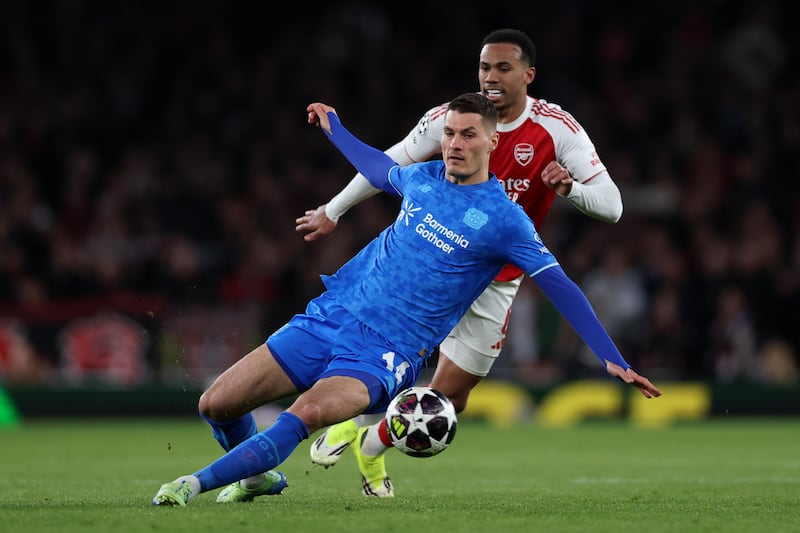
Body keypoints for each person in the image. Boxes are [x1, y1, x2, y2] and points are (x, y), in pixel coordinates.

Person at [152, 93, 661, 506]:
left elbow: (561, 287)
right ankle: (258, 479)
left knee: (300, 417)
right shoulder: (422, 178)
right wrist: (336, 129)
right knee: (215, 404)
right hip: (331, 315)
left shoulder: (507, 221)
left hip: (384, 353)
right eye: (449, 133)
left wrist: (611, 357)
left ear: (491, 140)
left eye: (467, 134)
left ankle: (191, 484)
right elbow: (377, 168)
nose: (455, 143)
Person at [297, 29, 623, 496]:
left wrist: (571, 189)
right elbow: (388, 163)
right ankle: (348, 415)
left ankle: (370, 440)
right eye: (485, 67)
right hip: (438, 256)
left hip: (497, 276)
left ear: (528, 75)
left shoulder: (557, 128)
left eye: (503, 68)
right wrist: (333, 209)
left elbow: (612, 206)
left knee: (452, 399)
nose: (491, 77)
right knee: (391, 356)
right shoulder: (449, 118)